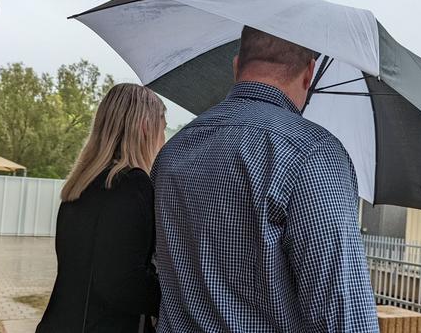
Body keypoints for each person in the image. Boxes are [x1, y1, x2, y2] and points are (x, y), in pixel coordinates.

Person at [151, 26, 379, 332]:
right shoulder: (312, 154)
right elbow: (342, 316)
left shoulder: (174, 152)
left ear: (236, 66)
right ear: (309, 74)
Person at [37, 83, 165, 333]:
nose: (163, 140)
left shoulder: (80, 185)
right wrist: (176, 295)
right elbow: (121, 284)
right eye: (162, 129)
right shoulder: (132, 184)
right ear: (145, 127)